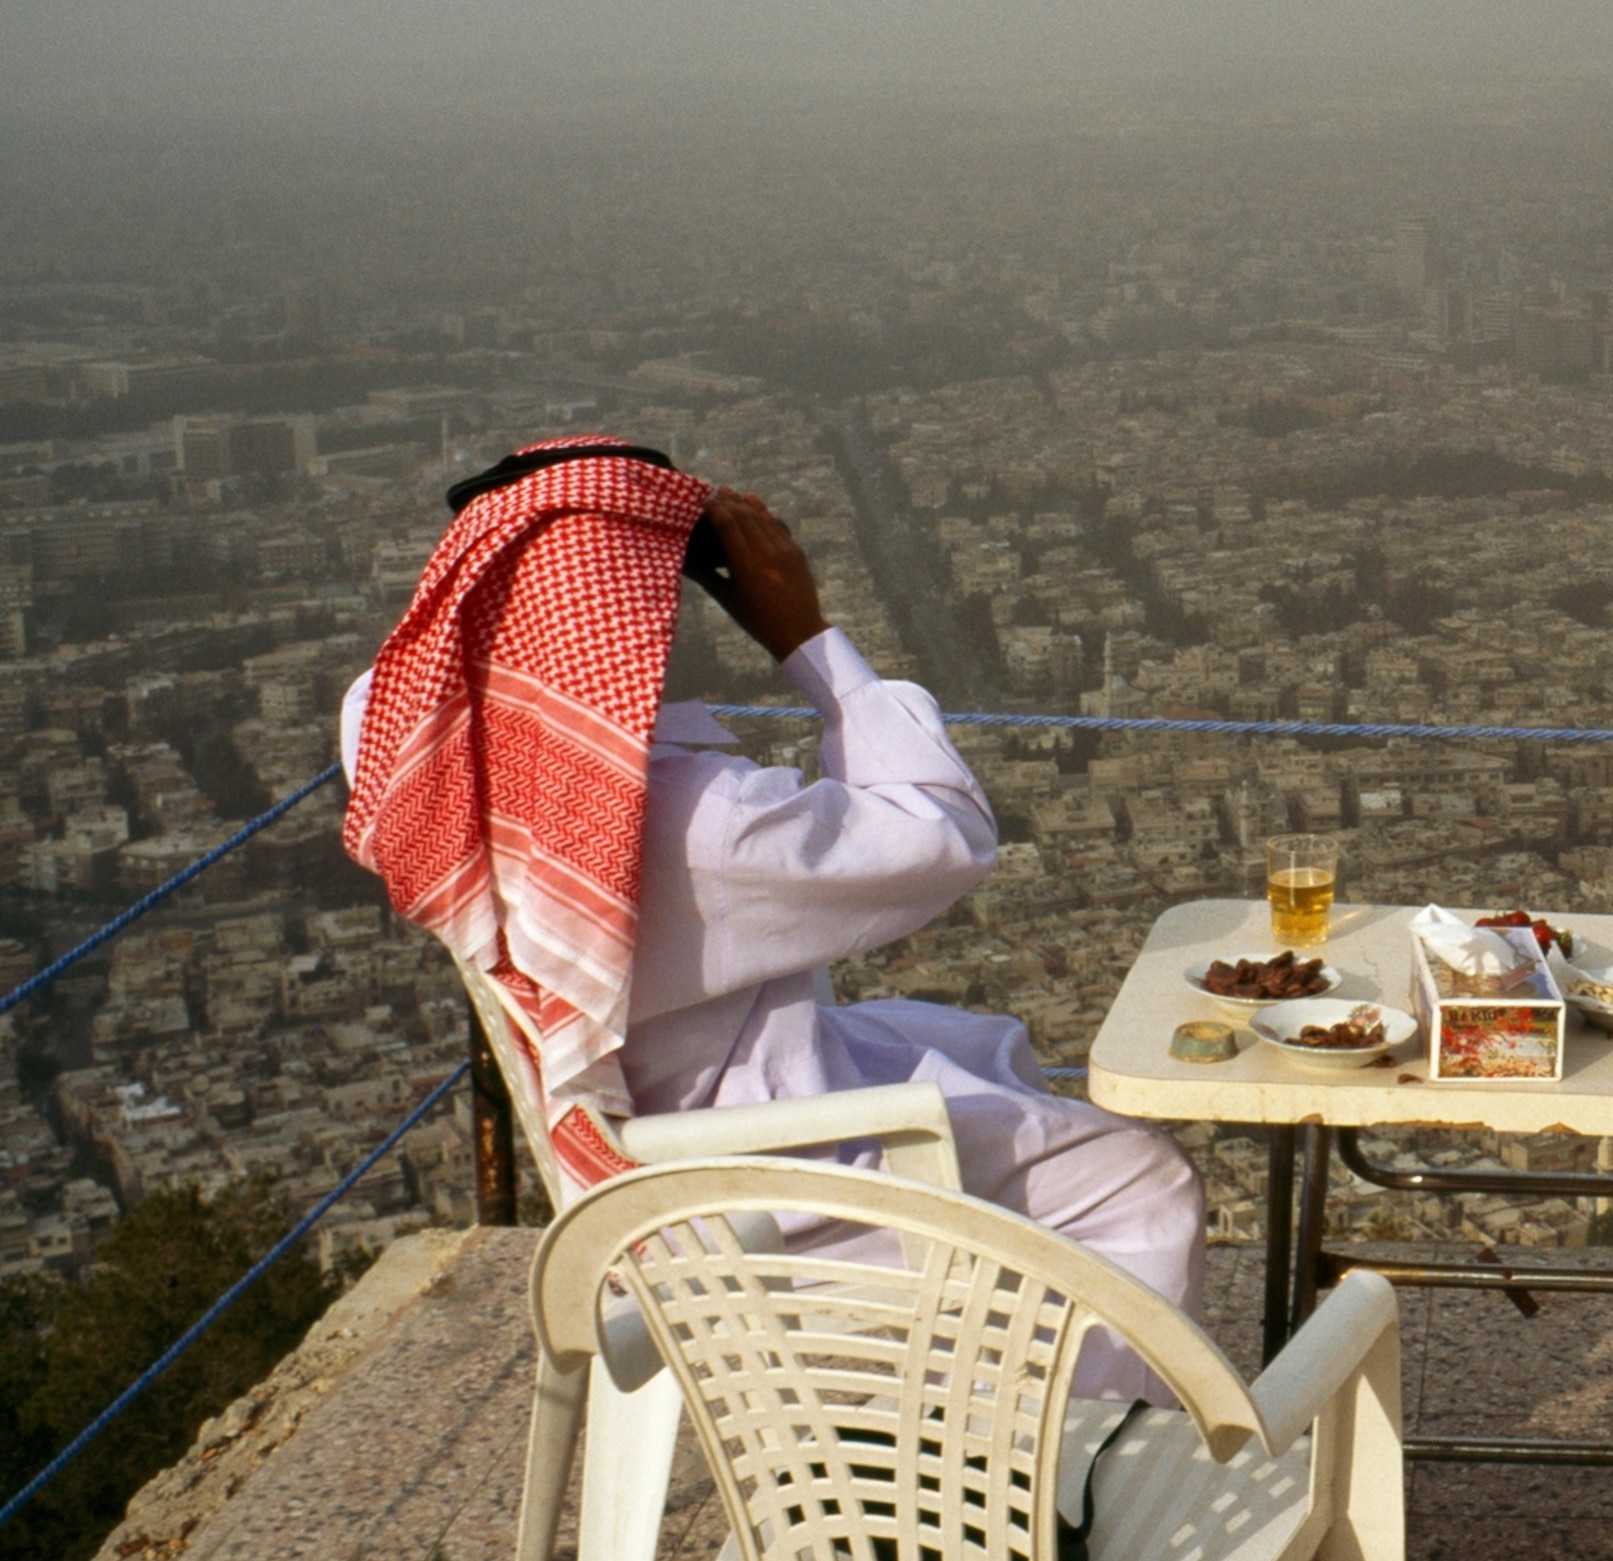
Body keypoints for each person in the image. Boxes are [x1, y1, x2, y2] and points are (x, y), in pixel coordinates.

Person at [340, 438, 1205, 1402]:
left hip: (627, 1165)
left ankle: (994, 1397)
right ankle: (1059, 1478)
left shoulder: (439, 771)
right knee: (1140, 1180)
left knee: (982, 1048)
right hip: (758, 1192)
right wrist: (805, 635)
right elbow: (945, 833)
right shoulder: (685, 822)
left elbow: (382, 695)